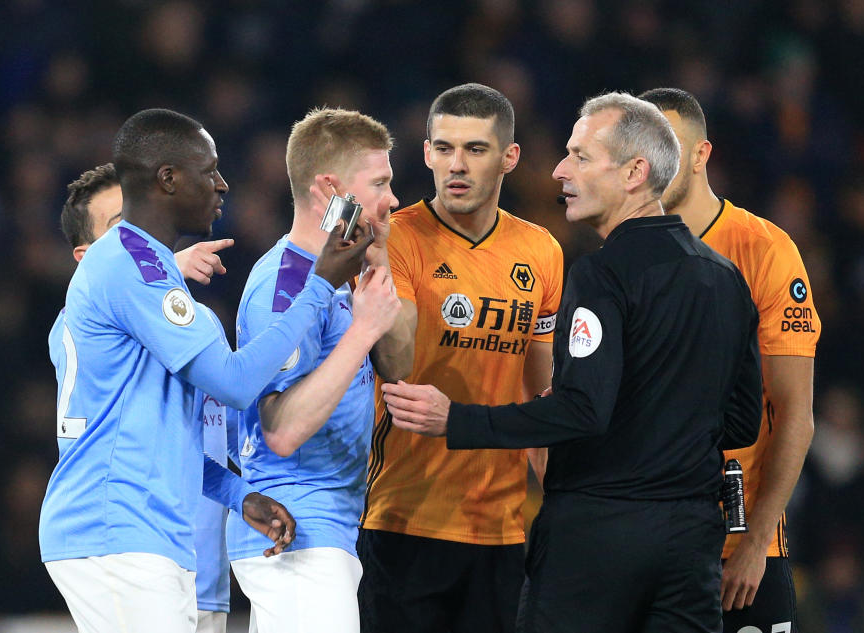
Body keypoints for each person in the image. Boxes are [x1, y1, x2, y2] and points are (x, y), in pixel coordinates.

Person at [383, 92, 763, 633]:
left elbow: (582, 409)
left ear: (635, 172)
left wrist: (459, 419)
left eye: (581, 157)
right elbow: (744, 421)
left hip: (596, 540)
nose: (560, 170)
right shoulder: (727, 279)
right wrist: (663, 433)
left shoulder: (600, 275)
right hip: (692, 542)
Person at [39, 108, 370, 633]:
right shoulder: (128, 262)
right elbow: (237, 384)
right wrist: (320, 284)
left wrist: (242, 498)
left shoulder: (148, 269)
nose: (222, 184)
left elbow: (169, 436)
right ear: (167, 178)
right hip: (116, 527)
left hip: (143, 531)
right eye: (209, 170)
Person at [358, 83, 564, 633]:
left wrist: (559, 500)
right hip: (403, 516)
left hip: (501, 524)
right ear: (425, 153)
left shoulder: (541, 251)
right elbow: (394, 363)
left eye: (476, 149)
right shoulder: (396, 239)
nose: (457, 165)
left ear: (509, 158)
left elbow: (541, 391)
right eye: (444, 148)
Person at [640, 87, 820, 633]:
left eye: (671, 147)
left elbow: (795, 414)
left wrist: (756, 545)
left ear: (701, 155)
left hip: (740, 547)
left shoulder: (764, 250)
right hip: (648, 544)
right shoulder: (624, 256)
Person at [229, 107, 401, 633]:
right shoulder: (287, 284)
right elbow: (281, 429)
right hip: (297, 532)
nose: (393, 199)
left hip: (326, 530)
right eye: (380, 183)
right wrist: (362, 332)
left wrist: (379, 265)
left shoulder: (337, 276)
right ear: (330, 190)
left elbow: (395, 372)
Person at [51, 162, 240, 632]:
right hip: (133, 547)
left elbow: (208, 442)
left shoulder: (199, 325)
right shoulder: (78, 333)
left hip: (200, 568)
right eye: (121, 228)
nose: (139, 236)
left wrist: (246, 494)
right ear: (85, 257)